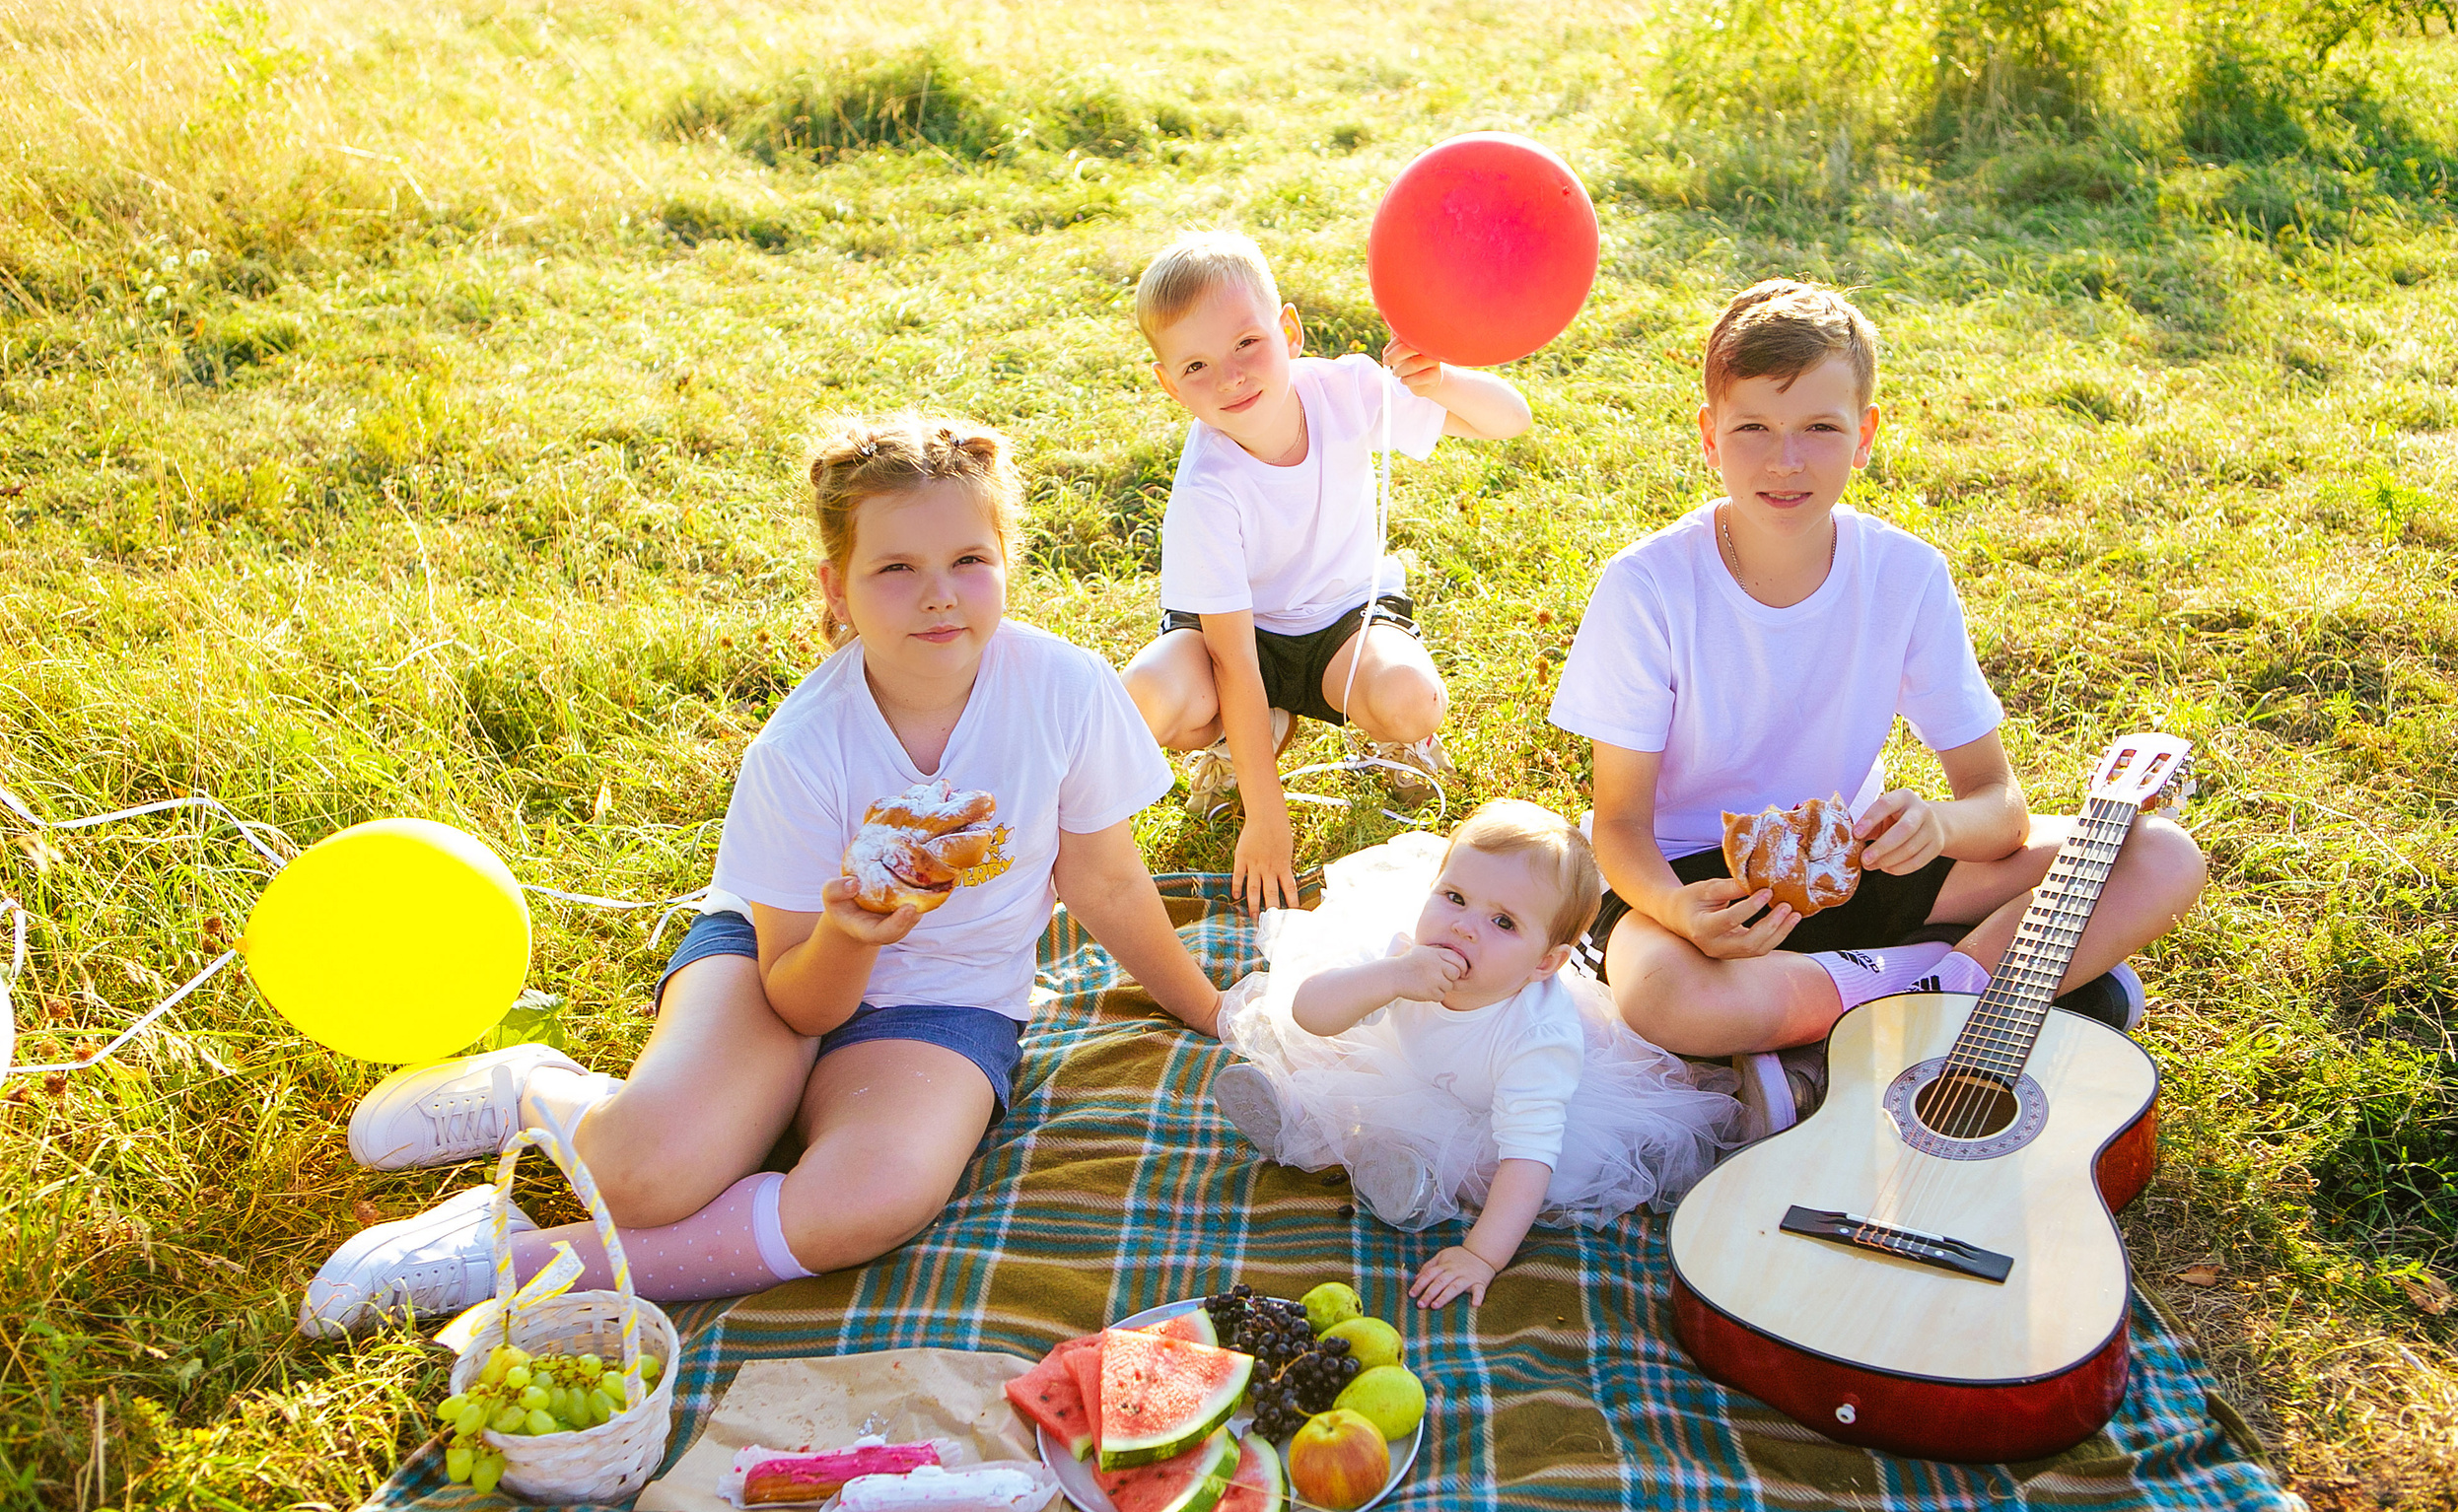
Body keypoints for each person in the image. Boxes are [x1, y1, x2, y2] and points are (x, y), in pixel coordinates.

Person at [300, 414, 1223, 1336]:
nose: (940, 596)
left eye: (969, 560)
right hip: (776, 965)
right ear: (839, 587)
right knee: (643, 1174)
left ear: (1006, 562)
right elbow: (799, 1000)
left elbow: (1104, 884)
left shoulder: (1066, 689)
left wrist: (1214, 1011)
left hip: (949, 1001)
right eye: (896, 568)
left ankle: (509, 1255)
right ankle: (538, 1091)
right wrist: (850, 935)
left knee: (872, 1197)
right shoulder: (802, 745)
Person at [1548, 279, 2207, 1134]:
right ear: (1711, 438)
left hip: (1861, 862)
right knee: (1664, 997)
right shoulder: (1646, 586)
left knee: (2159, 852)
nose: (1786, 460)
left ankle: (1921, 1003)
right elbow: (1621, 827)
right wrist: (1679, 910)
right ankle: (2005, 985)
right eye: (1753, 428)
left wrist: (1936, 825)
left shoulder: (1906, 574)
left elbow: (1997, 805)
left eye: (1820, 428)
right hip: (1705, 889)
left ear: (1864, 436)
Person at [1118, 230, 1533, 915]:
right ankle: (1253, 733)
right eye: (1196, 366)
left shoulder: (1345, 391)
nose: (1230, 378)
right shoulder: (1208, 490)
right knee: (1142, 697)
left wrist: (1444, 378)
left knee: (1411, 700)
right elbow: (1231, 659)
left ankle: (1382, 742)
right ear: (1168, 385)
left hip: (1343, 623)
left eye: (1247, 343)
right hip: (1233, 641)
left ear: (1290, 330)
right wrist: (1265, 812)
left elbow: (1509, 420)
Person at [1211, 801, 1738, 1310]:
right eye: (1455, 897)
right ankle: (1294, 1115)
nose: (1464, 926)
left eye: (1503, 923)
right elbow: (1312, 1013)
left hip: (1484, 1112)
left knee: (1483, 1173)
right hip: (1404, 1064)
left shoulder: (1536, 1042)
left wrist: (1480, 1255)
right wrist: (1390, 977)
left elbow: (1528, 1160)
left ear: (1545, 963)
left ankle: (1412, 1179)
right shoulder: (1407, 959)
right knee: (1335, 1053)